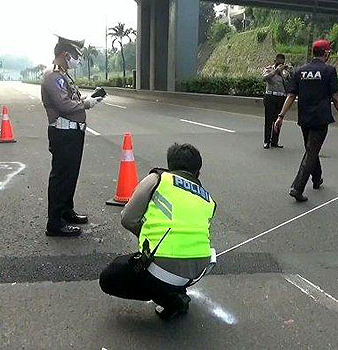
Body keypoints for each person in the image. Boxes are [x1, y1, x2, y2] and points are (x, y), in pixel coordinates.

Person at [99, 143, 217, 320]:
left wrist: (149, 233)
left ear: (170, 165)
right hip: (197, 272)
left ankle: (171, 298)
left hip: (162, 270)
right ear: (198, 172)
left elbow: (128, 218)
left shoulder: (159, 179)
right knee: (174, 261)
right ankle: (176, 290)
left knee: (110, 277)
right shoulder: (209, 199)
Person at [41, 36, 104, 237]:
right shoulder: (53, 77)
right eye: (75, 55)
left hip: (73, 132)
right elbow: (64, 105)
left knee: (70, 175)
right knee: (61, 176)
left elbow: (71, 99)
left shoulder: (63, 76)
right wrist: (86, 104)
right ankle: (55, 222)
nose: (77, 59)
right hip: (63, 133)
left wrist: (89, 99)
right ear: (64, 54)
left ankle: (66, 211)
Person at [275, 39, 338, 202]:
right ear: (326, 53)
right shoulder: (329, 71)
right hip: (320, 119)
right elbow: (336, 97)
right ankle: (297, 187)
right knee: (311, 151)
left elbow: (291, 95)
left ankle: (317, 179)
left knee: (311, 149)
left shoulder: (300, 71)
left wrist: (281, 116)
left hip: (305, 119)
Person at [262, 54, 292, 149]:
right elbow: (265, 78)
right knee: (269, 120)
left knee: (278, 120)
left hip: (281, 98)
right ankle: (266, 141)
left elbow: (291, 82)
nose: (280, 64)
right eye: (279, 62)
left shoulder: (285, 72)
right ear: (275, 61)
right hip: (270, 96)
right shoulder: (269, 69)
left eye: (282, 63)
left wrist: (290, 71)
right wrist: (276, 71)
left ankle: (275, 141)